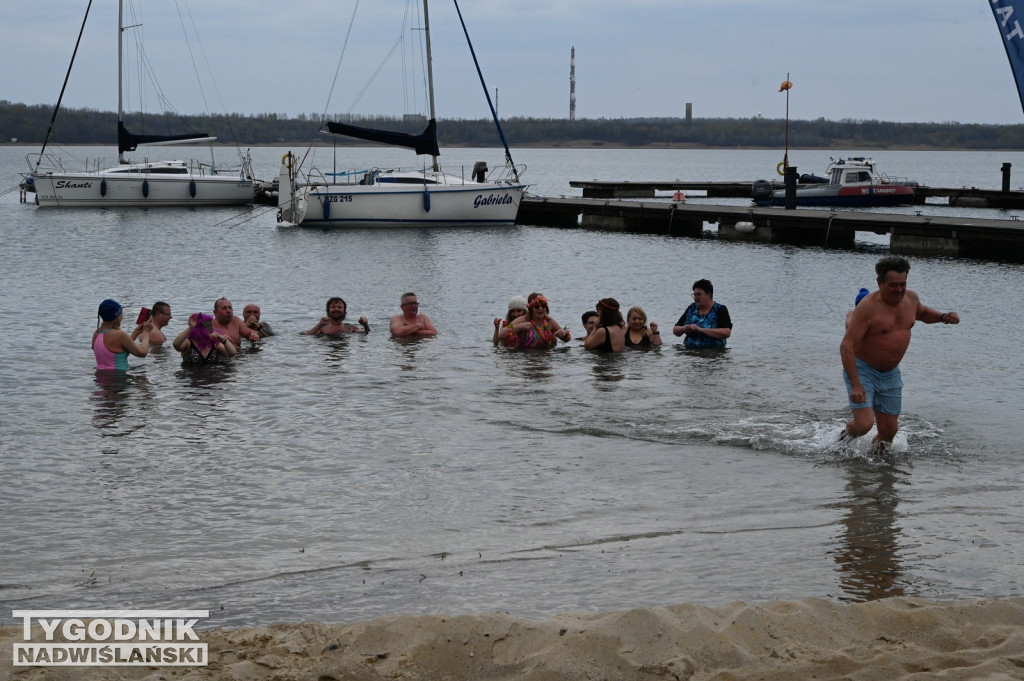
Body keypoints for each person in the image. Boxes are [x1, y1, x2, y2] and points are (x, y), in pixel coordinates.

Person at [840, 256, 959, 447]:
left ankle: (877, 463)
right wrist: (855, 384)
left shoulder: (911, 299)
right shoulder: (868, 307)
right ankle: (843, 439)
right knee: (863, 425)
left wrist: (943, 317)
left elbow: (922, 313)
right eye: (894, 285)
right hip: (863, 370)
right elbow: (846, 345)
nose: (899, 290)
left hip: (890, 373)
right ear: (880, 282)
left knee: (889, 431)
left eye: (903, 284)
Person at [92, 299, 153, 370]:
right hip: (119, 376)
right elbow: (142, 353)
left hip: (100, 376)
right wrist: (146, 333)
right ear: (117, 317)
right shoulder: (119, 335)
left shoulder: (96, 334)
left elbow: (118, 350)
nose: (122, 317)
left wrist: (136, 333)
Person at [673, 279, 732, 348]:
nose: (695, 297)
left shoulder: (720, 309)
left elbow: (726, 332)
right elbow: (675, 330)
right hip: (689, 352)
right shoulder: (692, 308)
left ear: (709, 295)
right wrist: (685, 328)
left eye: (699, 294)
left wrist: (700, 330)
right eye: (694, 294)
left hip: (713, 352)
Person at [500, 292, 570, 348]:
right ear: (531, 309)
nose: (540, 308)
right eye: (537, 306)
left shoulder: (549, 321)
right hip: (527, 358)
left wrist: (564, 334)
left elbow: (567, 339)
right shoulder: (522, 320)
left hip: (545, 358)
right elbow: (501, 335)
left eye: (543, 306)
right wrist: (520, 327)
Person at [173, 313, 237, 363]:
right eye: (208, 326)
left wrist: (222, 339)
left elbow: (232, 353)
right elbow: (176, 345)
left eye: (211, 325)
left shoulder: (214, 343)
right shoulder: (188, 343)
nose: (212, 329)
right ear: (199, 327)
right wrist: (191, 327)